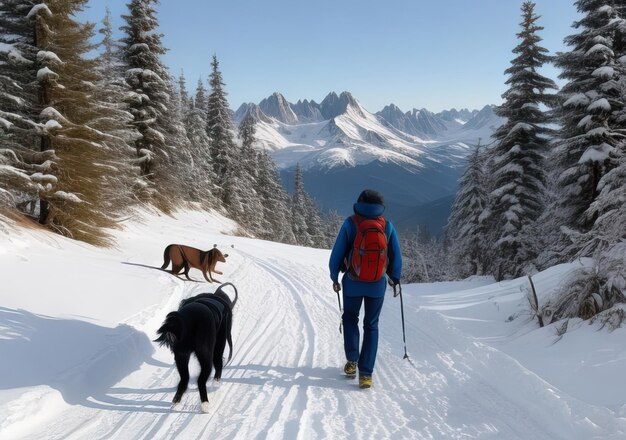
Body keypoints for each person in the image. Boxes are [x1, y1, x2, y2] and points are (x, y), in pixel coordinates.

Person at [328, 189, 402, 388]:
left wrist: (334, 276)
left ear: (359, 203)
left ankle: (352, 362)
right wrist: (395, 278)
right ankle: (366, 374)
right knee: (372, 325)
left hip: (352, 282)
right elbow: (396, 255)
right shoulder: (387, 226)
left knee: (350, 318)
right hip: (377, 285)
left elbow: (337, 253)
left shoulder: (350, 223)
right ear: (380, 205)